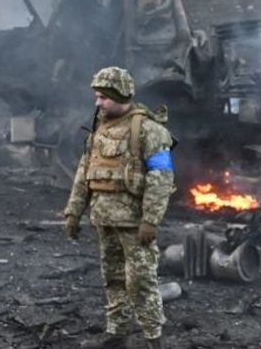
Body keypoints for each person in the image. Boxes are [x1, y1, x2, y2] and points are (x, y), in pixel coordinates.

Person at [62, 66, 176, 349]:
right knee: (112, 279)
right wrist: (73, 212)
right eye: (96, 96)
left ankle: (154, 340)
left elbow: (161, 179)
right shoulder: (100, 126)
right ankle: (117, 334)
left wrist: (151, 220)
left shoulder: (149, 130)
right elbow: (84, 172)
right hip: (104, 218)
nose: (97, 102)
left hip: (134, 224)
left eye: (103, 97)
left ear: (120, 95)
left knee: (141, 283)